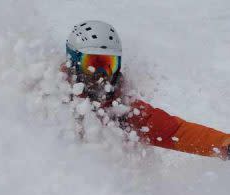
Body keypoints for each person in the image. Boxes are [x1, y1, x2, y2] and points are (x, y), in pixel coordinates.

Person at [60, 20, 230, 160]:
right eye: (92, 64)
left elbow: (176, 132)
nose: (101, 75)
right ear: (73, 62)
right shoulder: (52, 92)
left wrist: (225, 143)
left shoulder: (122, 110)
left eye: (108, 65)